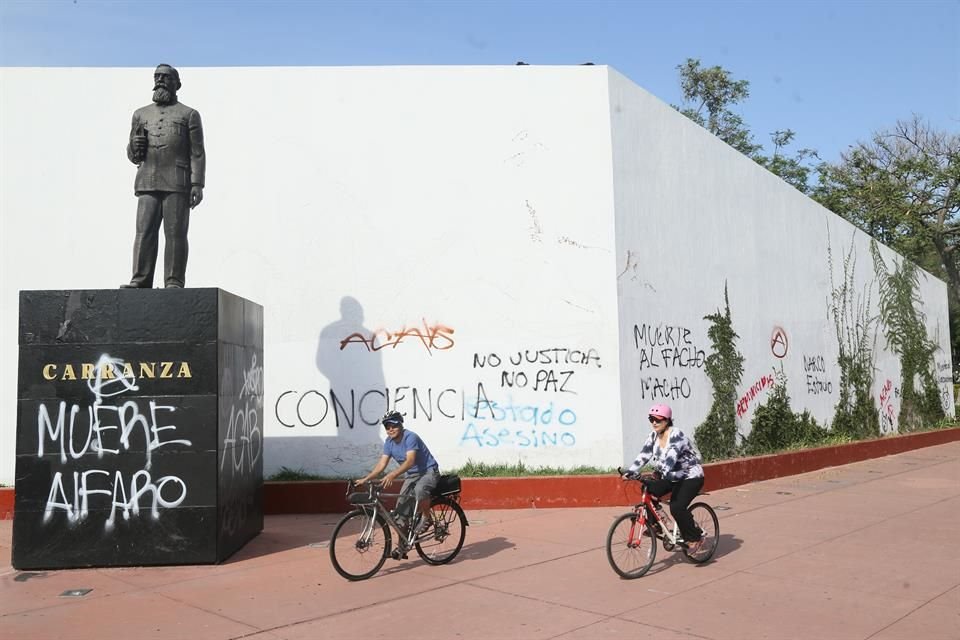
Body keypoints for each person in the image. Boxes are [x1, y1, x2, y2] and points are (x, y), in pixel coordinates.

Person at [121, 63, 206, 289]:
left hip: (178, 182)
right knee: (144, 232)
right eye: (157, 76)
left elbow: (197, 152)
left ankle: (174, 280)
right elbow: (133, 155)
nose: (160, 80)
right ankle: (140, 279)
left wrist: (197, 184)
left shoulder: (189, 114)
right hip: (147, 180)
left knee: (175, 234)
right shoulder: (140, 114)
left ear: (177, 84)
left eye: (166, 77)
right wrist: (134, 147)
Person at [624, 403, 706, 552]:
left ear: (667, 420)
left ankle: (695, 537)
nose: (654, 422)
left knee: (677, 506)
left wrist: (660, 471)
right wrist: (630, 471)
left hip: (690, 476)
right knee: (648, 488)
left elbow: (671, 457)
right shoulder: (653, 436)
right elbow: (644, 455)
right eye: (651, 419)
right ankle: (657, 524)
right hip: (671, 475)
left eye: (658, 419)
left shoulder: (676, 435)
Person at [356, 410, 440, 539]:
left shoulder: (410, 437)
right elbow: (381, 464)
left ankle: (427, 518)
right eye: (387, 427)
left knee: (419, 490)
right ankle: (403, 544)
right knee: (400, 513)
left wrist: (392, 475)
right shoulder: (389, 442)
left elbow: (410, 461)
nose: (390, 429)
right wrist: (366, 479)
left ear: (400, 424)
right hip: (412, 476)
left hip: (428, 471)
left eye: (393, 425)